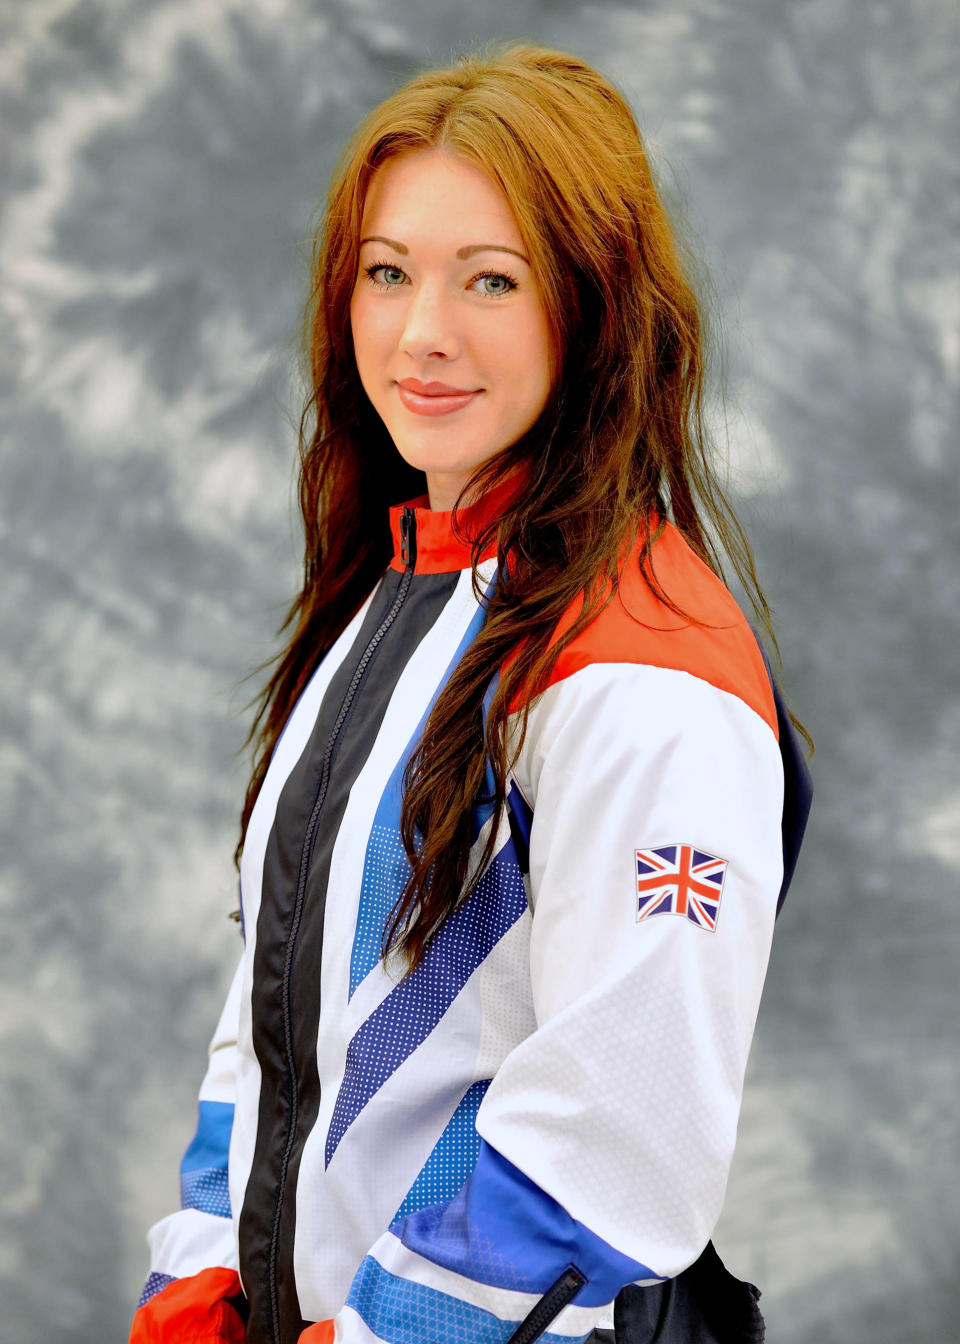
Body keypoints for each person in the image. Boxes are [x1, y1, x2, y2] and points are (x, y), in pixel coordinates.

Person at [129, 38, 813, 1344]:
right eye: (387, 273)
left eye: (489, 280)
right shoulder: (403, 591)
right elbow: (283, 1005)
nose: (422, 333)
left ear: (594, 305)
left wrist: (386, 1332)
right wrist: (204, 1264)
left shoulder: (640, 667)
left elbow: (621, 1127)